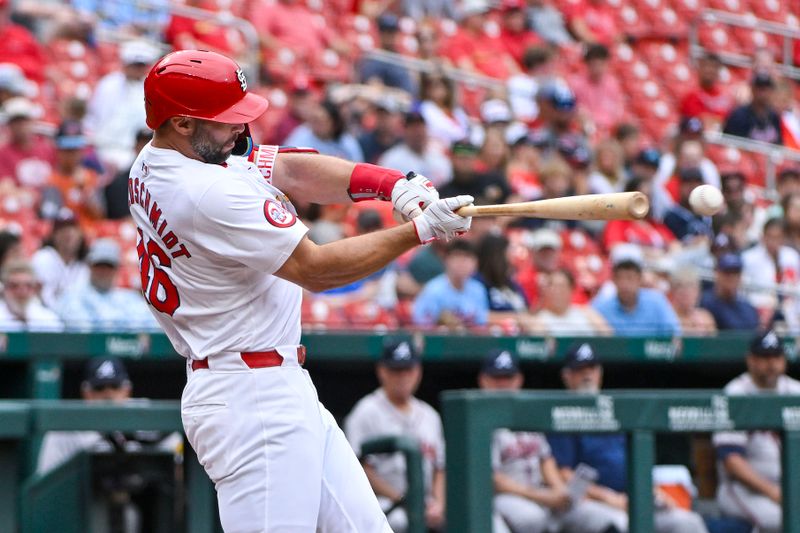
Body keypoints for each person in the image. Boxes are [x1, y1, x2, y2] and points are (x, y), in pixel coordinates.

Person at [133, 50, 471, 532]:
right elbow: (315, 268)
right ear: (183, 123)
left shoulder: (156, 157)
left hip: (273, 383)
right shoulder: (204, 193)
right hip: (249, 393)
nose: (240, 129)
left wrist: (393, 184)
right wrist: (419, 232)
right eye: (226, 119)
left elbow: (286, 169)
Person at [548, 343, 710, 533]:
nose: (587, 375)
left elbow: (634, 462)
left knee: (687, 522)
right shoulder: (560, 412)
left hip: (630, 498)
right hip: (590, 502)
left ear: (600, 373)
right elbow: (564, 474)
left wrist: (652, 492)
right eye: (580, 369)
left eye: (591, 368)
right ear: (566, 376)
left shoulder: (614, 410)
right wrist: (607, 497)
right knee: (620, 524)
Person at [478, 348, 628, 533]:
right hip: (506, 497)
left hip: (542, 495)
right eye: (497, 378)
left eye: (507, 377)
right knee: (534, 519)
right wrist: (543, 496)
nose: (503, 385)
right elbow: (496, 481)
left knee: (602, 519)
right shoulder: (478, 420)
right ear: (483, 380)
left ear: (518, 380)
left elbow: (546, 460)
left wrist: (560, 491)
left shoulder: (528, 416)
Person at [344, 340, 446, 533]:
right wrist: (403, 500)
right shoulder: (366, 412)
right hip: (385, 501)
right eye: (396, 370)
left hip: (426, 503)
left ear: (418, 371)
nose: (403, 377)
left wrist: (438, 503)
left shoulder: (430, 415)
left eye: (408, 370)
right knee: (398, 521)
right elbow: (359, 470)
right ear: (382, 371)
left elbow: (440, 468)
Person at [713, 330, 800, 533]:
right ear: (750, 360)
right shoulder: (735, 393)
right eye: (764, 357)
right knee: (783, 519)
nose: (771, 364)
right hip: (743, 490)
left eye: (776, 357)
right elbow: (731, 461)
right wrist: (774, 492)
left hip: (790, 487)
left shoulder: (796, 391)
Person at [37, 357, 134, 473]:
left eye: (115, 386)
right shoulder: (65, 428)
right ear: (86, 393)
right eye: (99, 388)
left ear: (127, 390)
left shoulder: (145, 420)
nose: (108, 394)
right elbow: (46, 481)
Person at [84, 39, 159, 170]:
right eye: (134, 64)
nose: (137, 69)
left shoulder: (151, 89)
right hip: (103, 149)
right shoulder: (108, 84)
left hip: (135, 153)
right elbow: (93, 117)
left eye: (141, 65)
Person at [56, 239, 158, 331]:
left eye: (109, 266)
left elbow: (151, 329)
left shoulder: (130, 298)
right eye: (99, 265)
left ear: (117, 269)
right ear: (89, 266)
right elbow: (81, 330)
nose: (103, 271)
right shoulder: (72, 296)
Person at [592, 244, 681, 336]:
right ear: (613, 279)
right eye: (620, 278)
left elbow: (674, 336)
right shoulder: (601, 306)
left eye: (630, 278)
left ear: (639, 279)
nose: (625, 284)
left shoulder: (656, 301)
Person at [412, 239, 489, 330]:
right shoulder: (434, 290)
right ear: (446, 260)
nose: (462, 263)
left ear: (476, 263)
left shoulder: (478, 289)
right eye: (457, 256)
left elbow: (482, 323)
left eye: (467, 258)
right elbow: (420, 325)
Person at [378, 110, 452, 187]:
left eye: (420, 127)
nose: (417, 133)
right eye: (413, 128)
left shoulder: (438, 155)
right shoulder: (392, 159)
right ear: (405, 131)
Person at [527, 268, 611, 336]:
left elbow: (608, 336)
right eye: (553, 287)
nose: (557, 292)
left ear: (571, 290)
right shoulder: (540, 321)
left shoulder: (587, 313)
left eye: (561, 286)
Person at [31, 210, 89, 308]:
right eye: (62, 229)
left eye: (72, 228)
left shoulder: (85, 264)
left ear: (80, 234)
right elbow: (42, 299)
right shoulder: (43, 258)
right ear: (53, 235)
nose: (68, 233)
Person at [358, 13, 416, 95]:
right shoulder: (374, 58)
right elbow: (374, 87)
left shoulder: (400, 58)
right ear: (380, 33)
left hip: (407, 102)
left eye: (392, 31)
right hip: (387, 104)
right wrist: (398, 93)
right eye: (386, 31)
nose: (389, 36)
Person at [700, 253, 760, 331]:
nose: (732, 277)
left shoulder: (747, 307)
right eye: (727, 273)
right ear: (717, 273)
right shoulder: (705, 303)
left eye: (735, 273)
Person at [0, 259, 62, 332]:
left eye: (28, 286)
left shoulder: (48, 319)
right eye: (14, 286)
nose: (22, 292)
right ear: (4, 289)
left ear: (35, 289)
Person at [679, 52, 734, 130]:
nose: (709, 70)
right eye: (706, 66)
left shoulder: (725, 98)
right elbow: (701, 122)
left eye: (713, 67)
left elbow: (726, 122)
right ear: (699, 69)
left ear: (718, 71)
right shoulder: (691, 96)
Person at [723, 73, 783, 145]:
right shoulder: (739, 115)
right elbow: (731, 144)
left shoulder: (774, 116)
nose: (763, 93)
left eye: (766, 89)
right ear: (752, 89)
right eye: (760, 89)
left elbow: (779, 144)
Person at [669, 266, 717, 336]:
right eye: (681, 289)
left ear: (698, 292)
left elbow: (715, 344)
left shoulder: (705, 318)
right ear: (673, 291)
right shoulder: (667, 318)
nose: (687, 293)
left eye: (692, 288)